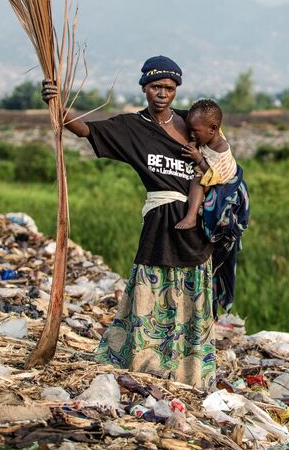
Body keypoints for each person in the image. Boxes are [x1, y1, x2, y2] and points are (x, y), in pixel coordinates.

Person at [41, 55, 215, 389]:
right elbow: (84, 130)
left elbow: (220, 158)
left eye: (168, 87)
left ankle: (189, 372)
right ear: (144, 89)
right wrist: (56, 103)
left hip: (195, 226)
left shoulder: (190, 124)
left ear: (176, 89)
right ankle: (145, 361)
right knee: (151, 289)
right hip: (160, 224)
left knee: (191, 295)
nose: (162, 93)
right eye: (155, 87)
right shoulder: (132, 127)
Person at [174, 99, 237, 230]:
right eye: (189, 130)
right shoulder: (210, 133)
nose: (191, 134)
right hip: (212, 173)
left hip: (220, 180)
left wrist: (198, 158)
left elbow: (213, 177)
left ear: (213, 129)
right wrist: (195, 142)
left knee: (198, 180)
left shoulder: (219, 151)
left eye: (195, 131)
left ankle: (191, 216)